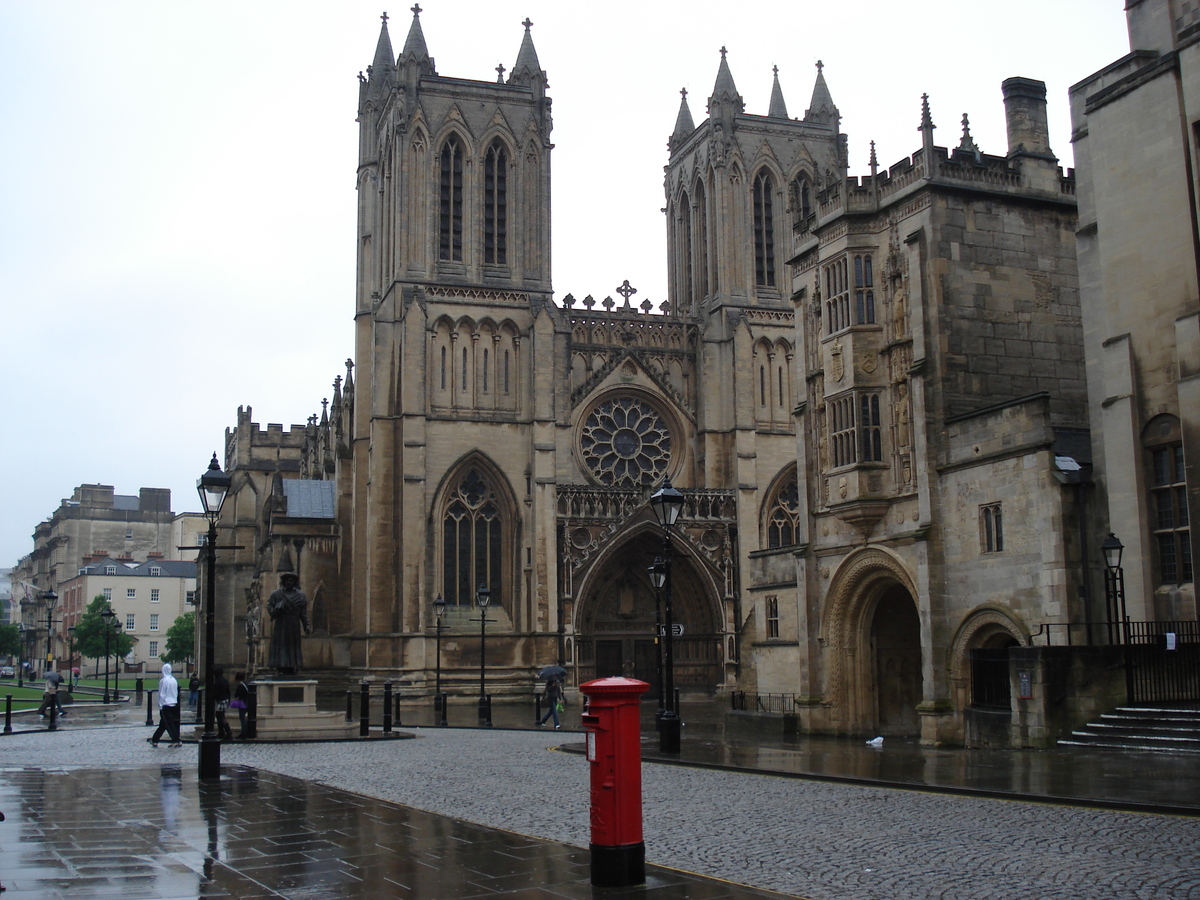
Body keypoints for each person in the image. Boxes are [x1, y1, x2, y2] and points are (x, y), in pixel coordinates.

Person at [267, 573, 310, 675]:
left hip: (293, 624)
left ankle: (292, 667)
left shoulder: (300, 595)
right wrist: (274, 611)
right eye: (287, 581)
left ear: (295, 582)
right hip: (281, 623)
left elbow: (303, 613)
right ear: (283, 582)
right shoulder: (276, 594)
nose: (289, 583)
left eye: (291, 581)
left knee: (292, 646)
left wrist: (306, 625)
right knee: (281, 645)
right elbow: (269, 606)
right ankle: (280, 667)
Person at [148, 662, 182, 747]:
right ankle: (155, 739)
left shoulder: (163, 681)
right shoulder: (174, 680)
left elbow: (162, 694)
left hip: (166, 705)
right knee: (164, 724)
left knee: (169, 724)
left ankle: (176, 740)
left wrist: (160, 705)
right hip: (174, 703)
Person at [212, 667, 234, 741]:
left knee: (220, 716)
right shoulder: (225, 680)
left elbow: (216, 692)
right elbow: (228, 691)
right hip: (225, 699)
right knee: (220, 716)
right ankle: (222, 732)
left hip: (220, 700)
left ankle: (228, 732)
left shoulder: (218, 681)